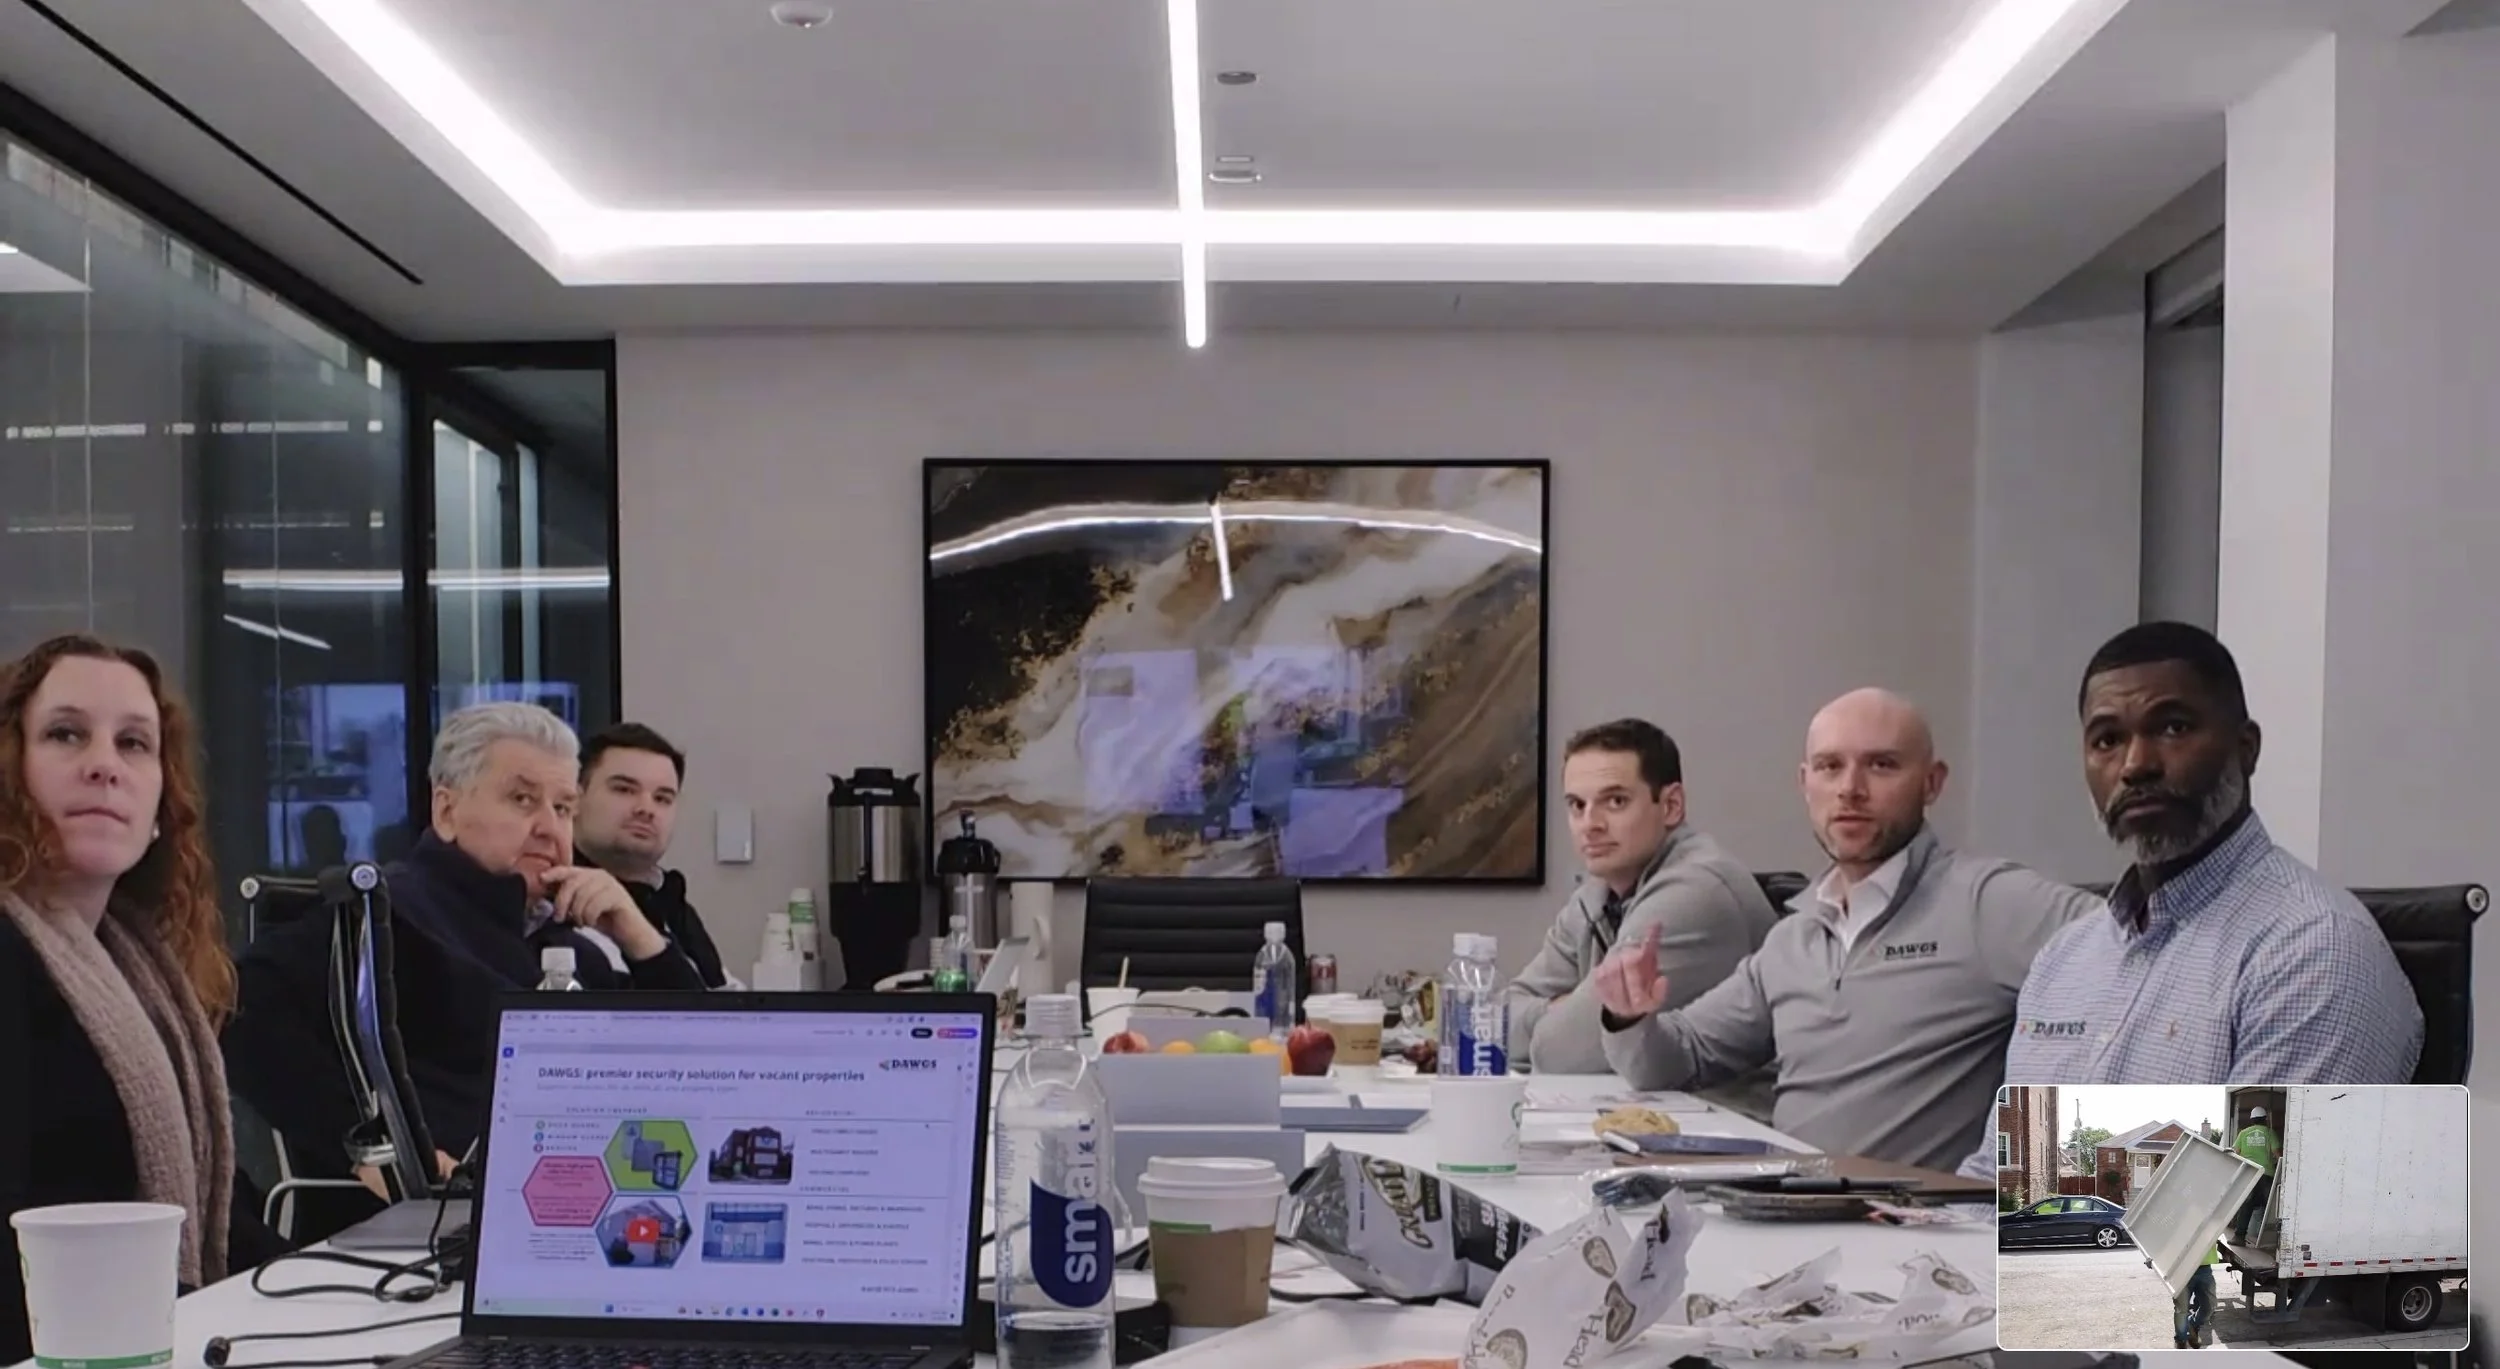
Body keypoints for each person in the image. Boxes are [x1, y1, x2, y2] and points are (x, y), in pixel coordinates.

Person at [224, 703, 706, 1228]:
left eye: (564, 808)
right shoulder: (391, 917)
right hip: (423, 1236)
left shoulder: (573, 953)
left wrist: (638, 936)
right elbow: (239, 1011)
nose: (550, 828)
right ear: (446, 812)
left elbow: (698, 1068)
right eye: (522, 800)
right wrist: (373, 1146)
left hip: (570, 1223)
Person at [1585, 688, 2101, 1170]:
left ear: (1932, 783)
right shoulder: (1796, 935)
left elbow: (2134, 955)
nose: (1850, 790)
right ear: (1805, 782)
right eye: (1830, 767)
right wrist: (1628, 1016)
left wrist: (2040, 1178)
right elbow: (1678, 1060)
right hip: (1783, 1206)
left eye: (1881, 765)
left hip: (1916, 1223)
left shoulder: (1986, 903)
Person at [0, 635, 289, 1362]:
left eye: (134, 743)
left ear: (163, 803)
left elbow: (219, 1211)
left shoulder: (139, 971)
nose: (104, 764)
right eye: (66, 734)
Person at [2004, 622, 2422, 1083]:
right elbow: (2013, 1136)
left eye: (2173, 728)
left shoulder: (2315, 949)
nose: (2136, 765)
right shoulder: (2062, 959)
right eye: (2107, 740)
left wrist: (2063, 1136)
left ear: (2246, 750)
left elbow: (2272, 1138)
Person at [1505, 720, 1777, 1097]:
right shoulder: (1597, 894)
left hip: (1732, 1121)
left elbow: (1561, 1053)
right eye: (1577, 805)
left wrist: (1553, 1017)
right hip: (1647, 1114)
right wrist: (1557, 1010)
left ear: (1671, 806)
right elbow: (1497, 1023)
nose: (1590, 825)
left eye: (1615, 801)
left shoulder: (1696, 892)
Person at [573, 722, 736, 989]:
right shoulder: (548, 905)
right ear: (574, 798)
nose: (646, 809)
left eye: (662, 798)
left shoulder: (671, 902)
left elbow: (720, 1000)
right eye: (624, 790)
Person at [2231, 1104, 2281, 1244]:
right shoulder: (2269, 1133)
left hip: (2249, 1173)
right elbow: (2277, 1154)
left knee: (2246, 1205)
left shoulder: (2243, 1133)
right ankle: (2270, 1239)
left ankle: (2239, 1237)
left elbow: (2235, 1153)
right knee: (2269, 1206)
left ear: (2252, 1119)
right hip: (2266, 1173)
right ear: (2265, 1119)